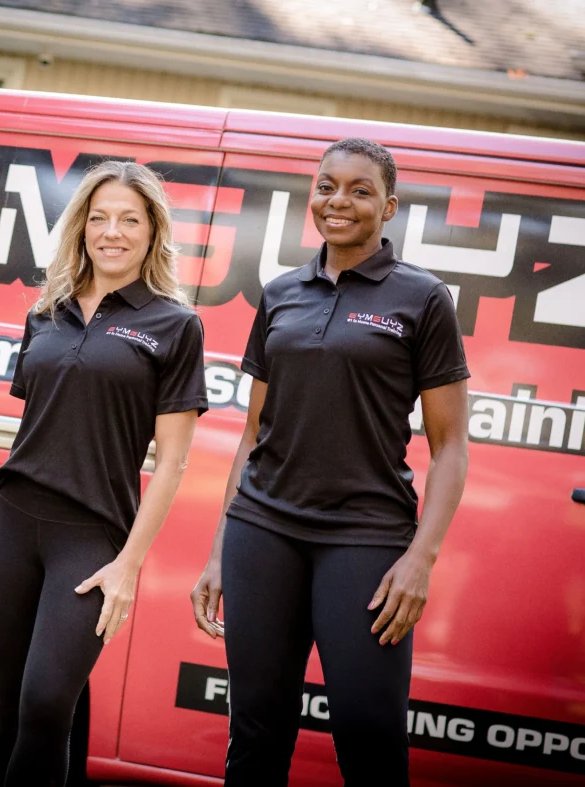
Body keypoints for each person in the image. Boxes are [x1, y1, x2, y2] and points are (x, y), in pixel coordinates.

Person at [190, 138, 470, 786]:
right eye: (326, 186)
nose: (338, 200)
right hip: (263, 533)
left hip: (366, 538)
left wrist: (420, 559)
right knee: (256, 733)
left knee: (368, 741)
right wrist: (220, 546)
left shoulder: (422, 299)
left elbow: (451, 445)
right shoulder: (283, 292)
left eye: (359, 189)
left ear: (389, 206)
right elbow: (256, 432)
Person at [0, 161, 208, 787]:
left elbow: (172, 463)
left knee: (49, 703)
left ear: (152, 232)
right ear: (80, 228)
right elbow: (44, 423)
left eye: (129, 219)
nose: (113, 231)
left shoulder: (176, 326)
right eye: (100, 218)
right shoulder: (46, 313)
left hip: (93, 538)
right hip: (13, 525)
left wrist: (129, 564)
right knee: (13, 711)